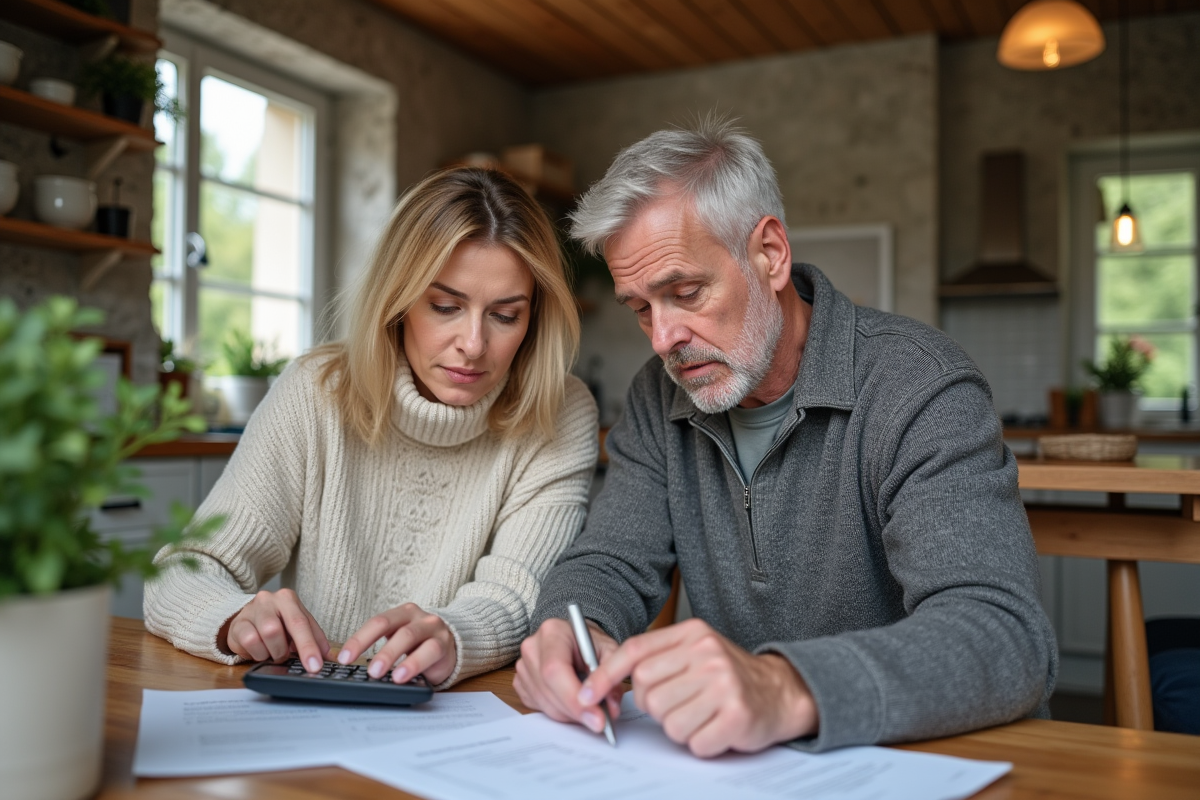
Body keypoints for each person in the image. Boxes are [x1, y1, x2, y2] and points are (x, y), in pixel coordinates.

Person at [514, 119, 1057, 755]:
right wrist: (567, 628)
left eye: (685, 292)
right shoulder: (656, 397)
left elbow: (1004, 635)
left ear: (770, 253)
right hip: (755, 769)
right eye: (640, 308)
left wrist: (783, 686)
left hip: (931, 760)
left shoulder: (920, 385)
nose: (662, 339)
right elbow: (609, 561)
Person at [145, 168, 598, 689]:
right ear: (397, 301)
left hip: (452, 721)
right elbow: (188, 568)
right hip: (311, 711)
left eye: (505, 315)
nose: (473, 344)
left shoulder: (561, 410)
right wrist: (233, 618)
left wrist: (455, 635)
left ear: (534, 319)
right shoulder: (316, 391)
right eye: (445, 307)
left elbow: (517, 596)